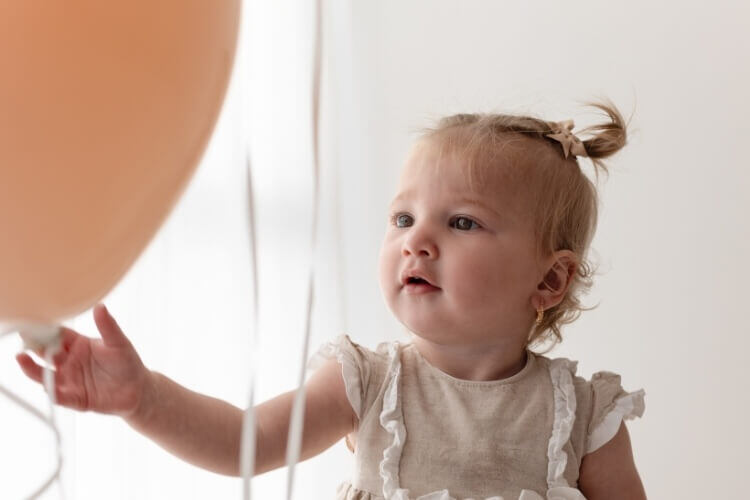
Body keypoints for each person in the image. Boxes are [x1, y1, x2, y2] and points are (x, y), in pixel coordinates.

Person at [16, 101, 646, 500]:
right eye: (402, 218)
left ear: (550, 281)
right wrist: (143, 398)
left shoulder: (585, 414)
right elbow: (246, 441)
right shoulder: (369, 382)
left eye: (461, 223)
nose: (415, 242)